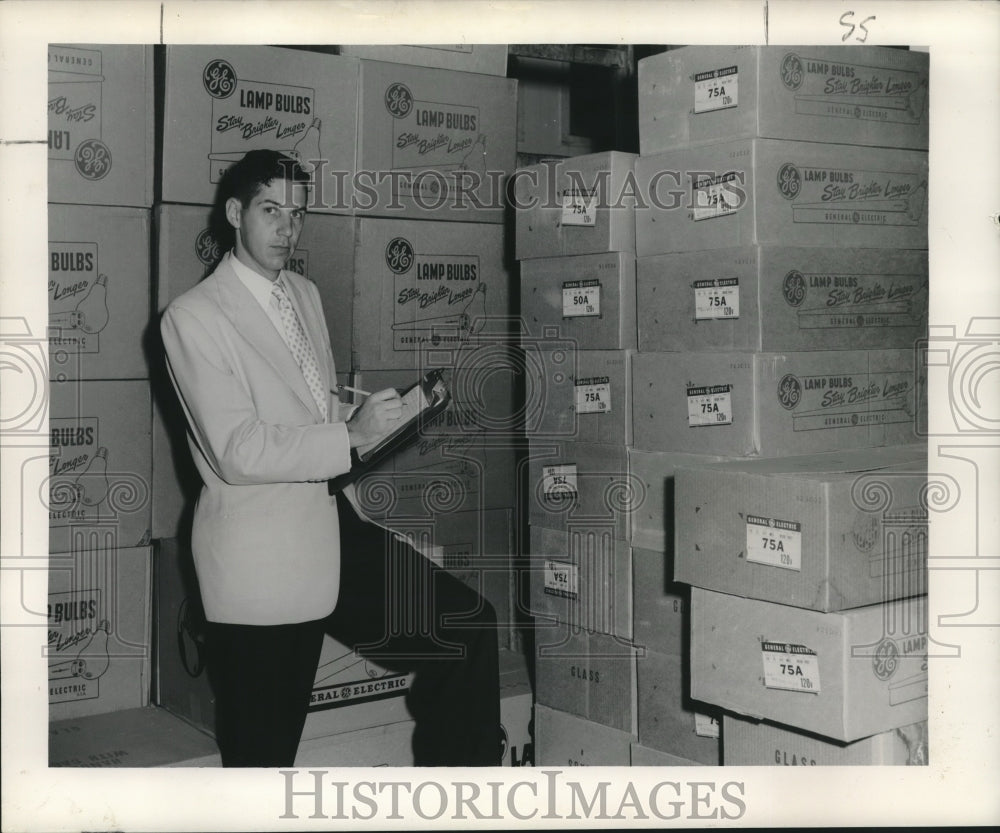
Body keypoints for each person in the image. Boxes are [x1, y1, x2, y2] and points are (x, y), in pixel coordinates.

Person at [161, 150, 500, 767]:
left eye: (298, 214)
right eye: (271, 211)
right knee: (263, 760)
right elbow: (239, 449)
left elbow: (313, 414)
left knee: (465, 627)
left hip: (329, 528)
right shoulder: (192, 317)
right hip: (262, 556)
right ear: (236, 213)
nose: (287, 229)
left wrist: (383, 418)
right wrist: (347, 437)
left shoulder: (306, 295)